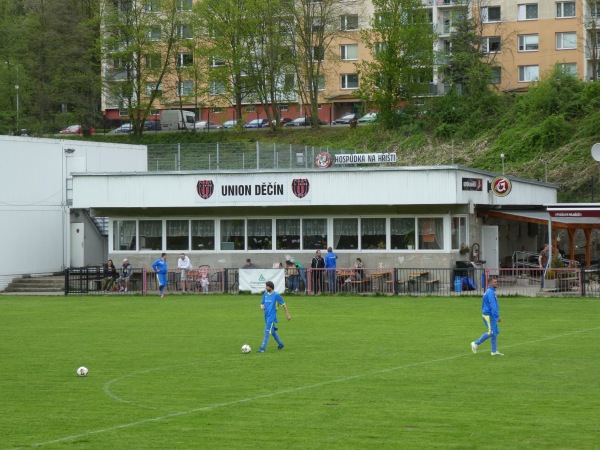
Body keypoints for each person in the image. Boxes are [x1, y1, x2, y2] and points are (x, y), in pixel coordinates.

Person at [471, 277, 503, 356]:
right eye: (495, 282)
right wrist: (497, 316)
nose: (497, 283)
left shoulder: (489, 292)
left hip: (489, 314)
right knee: (491, 332)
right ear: (490, 283)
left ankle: (494, 351)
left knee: (494, 333)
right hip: (489, 315)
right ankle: (475, 343)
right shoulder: (490, 293)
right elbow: (493, 305)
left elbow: (484, 304)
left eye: (497, 282)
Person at [257, 280, 291, 353]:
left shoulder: (276, 295)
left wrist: (287, 314)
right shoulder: (265, 294)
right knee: (272, 332)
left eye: (267, 286)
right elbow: (262, 303)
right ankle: (280, 344)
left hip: (271, 316)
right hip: (266, 316)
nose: (266, 287)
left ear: (270, 287)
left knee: (266, 331)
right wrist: (261, 307)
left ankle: (263, 348)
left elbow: (284, 304)